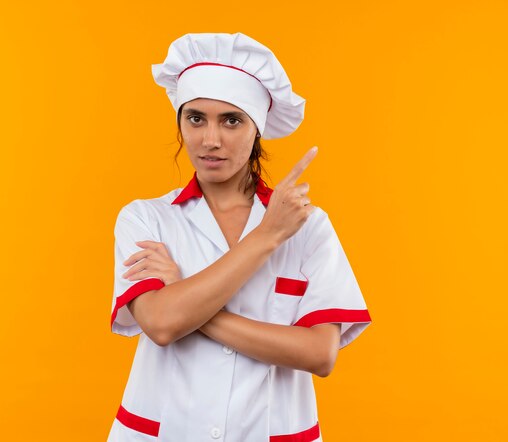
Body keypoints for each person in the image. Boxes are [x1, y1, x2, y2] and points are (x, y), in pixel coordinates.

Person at [108, 32, 371, 442]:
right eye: (195, 118)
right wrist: (266, 237)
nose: (210, 140)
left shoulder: (309, 226)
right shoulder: (146, 218)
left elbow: (319, 354)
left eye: (231, 120)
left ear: (257, 129)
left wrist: (185, 303)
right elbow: (160, 324)